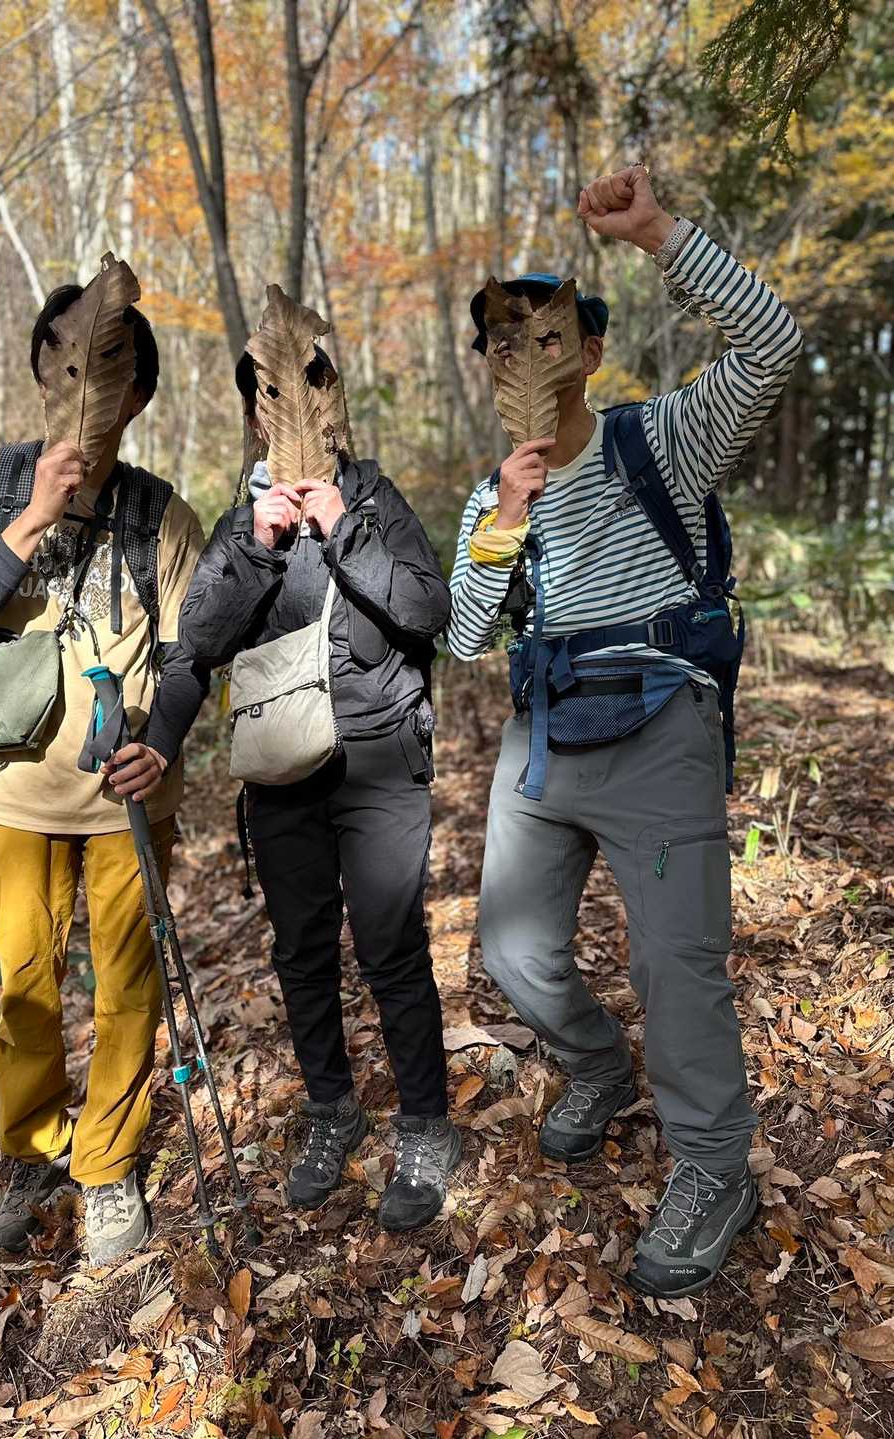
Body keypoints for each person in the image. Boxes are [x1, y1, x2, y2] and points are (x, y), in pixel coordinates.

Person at [448, 164, 803, 1296]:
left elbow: (772, 347)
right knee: (512, 949)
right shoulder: (494, 494)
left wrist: (659, 234)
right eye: (501, 344)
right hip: (545, 729)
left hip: (659, 717)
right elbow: (465, 633)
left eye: (546, 336)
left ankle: (714, 1165)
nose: (522, 357)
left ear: (589, 350)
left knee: (674, 961)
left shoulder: (663, 440)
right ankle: (599, 1065)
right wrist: (502, 524)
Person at [0, 285, 209, 1265]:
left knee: (128, 988)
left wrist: (163, 740)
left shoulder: (164, 514)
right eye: (65, 360)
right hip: (19, 793)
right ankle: (33, 1149)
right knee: (27, 985)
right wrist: (32, 518)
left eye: (111, 371)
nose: (84, 385)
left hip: (129, 799)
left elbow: (190, 656)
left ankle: (108, 1164)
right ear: (43, 369)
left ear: (139, 395)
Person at [178, 334, 462, 1232]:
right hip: (280, 768)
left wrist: (344, 528)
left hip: (379, 759)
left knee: (390, 946)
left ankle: (427, 1124)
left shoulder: (374, 499)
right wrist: (259, 545)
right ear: (254, 413)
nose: (287, 404)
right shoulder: (242, 518)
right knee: (301, 951)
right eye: (266, 392)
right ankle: (332, 1109)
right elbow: (200, 638)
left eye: (306, 384)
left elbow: (429, 611)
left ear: (332, 400)